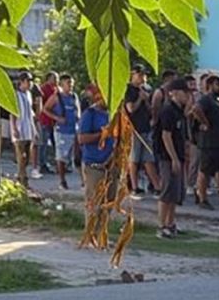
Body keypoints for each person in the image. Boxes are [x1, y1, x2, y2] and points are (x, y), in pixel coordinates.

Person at [192, 75, 219, 210]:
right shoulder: (206, 99)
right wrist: (205, 123)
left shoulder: (217, 101)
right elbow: (195, 109)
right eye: (217, 84)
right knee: (205, 170)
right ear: (210, 85)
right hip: (210, 143)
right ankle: (202, 198)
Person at [78, 84, 117, 238]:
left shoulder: (112, 113)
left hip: (111, 164)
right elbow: (82, 138)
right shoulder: (90, 114)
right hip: (94, 165)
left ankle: (102, 234)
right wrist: (102, 134)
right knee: (94, 202)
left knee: (109, 202)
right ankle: (91, 235)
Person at [154, 79, 191, 239]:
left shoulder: (179, 111)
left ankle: (171, 223)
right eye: (185, 93)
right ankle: (162, 226)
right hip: (167, 157)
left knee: (175, 193)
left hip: (178, 156)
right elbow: (165, 135)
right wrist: (174, 158)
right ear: (174, 93)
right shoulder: (168, 110)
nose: (187, 96)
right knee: (167, 191)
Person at [125, 65, 160, 197]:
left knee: (148, 158)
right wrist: (140, 98)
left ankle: (157, 186)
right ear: (133, 75)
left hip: (145, 127)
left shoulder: (147, 89)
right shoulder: (129, 90)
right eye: (140, 75)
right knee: (134, 159)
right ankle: (134, 187)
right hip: (134, 128)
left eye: (144, 75)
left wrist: (146, 101)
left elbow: (149, 109)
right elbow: (131, 109)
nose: (143, 78)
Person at [42, 74, 80, 190]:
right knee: (61, 157)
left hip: (74, 129)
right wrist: (57, 118)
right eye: (68, 83)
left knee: (78, 155)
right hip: (61, 131)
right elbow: (45, 109)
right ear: (62, 85)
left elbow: (78, 110)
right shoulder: (56, 97)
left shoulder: (74, 96)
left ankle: (83, 181)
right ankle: (62, 180)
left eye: (72, 83)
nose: (71, 86)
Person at [11, 72, 38, 187]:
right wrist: (14, 128)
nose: (30, 84)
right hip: (19, 126)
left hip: (28, 126)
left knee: (27, 154)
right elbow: (12, 112)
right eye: (28, 81)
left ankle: (20, 175)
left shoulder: (28, 94)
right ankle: (23, 178)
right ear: (21, 82)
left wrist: (34, 129)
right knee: (21, 154)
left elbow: (30, 113)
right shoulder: (16, 95)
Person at [35, 71, 58, 176]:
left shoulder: (56, 89)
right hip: (45, 119)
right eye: (54, 78)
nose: (56, 80)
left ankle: (56, 162)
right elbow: (40, 103)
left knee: (54, 143)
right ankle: (42, 164)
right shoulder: (44, 89)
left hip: (53, 121)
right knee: (43, 143)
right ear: (48, 78)